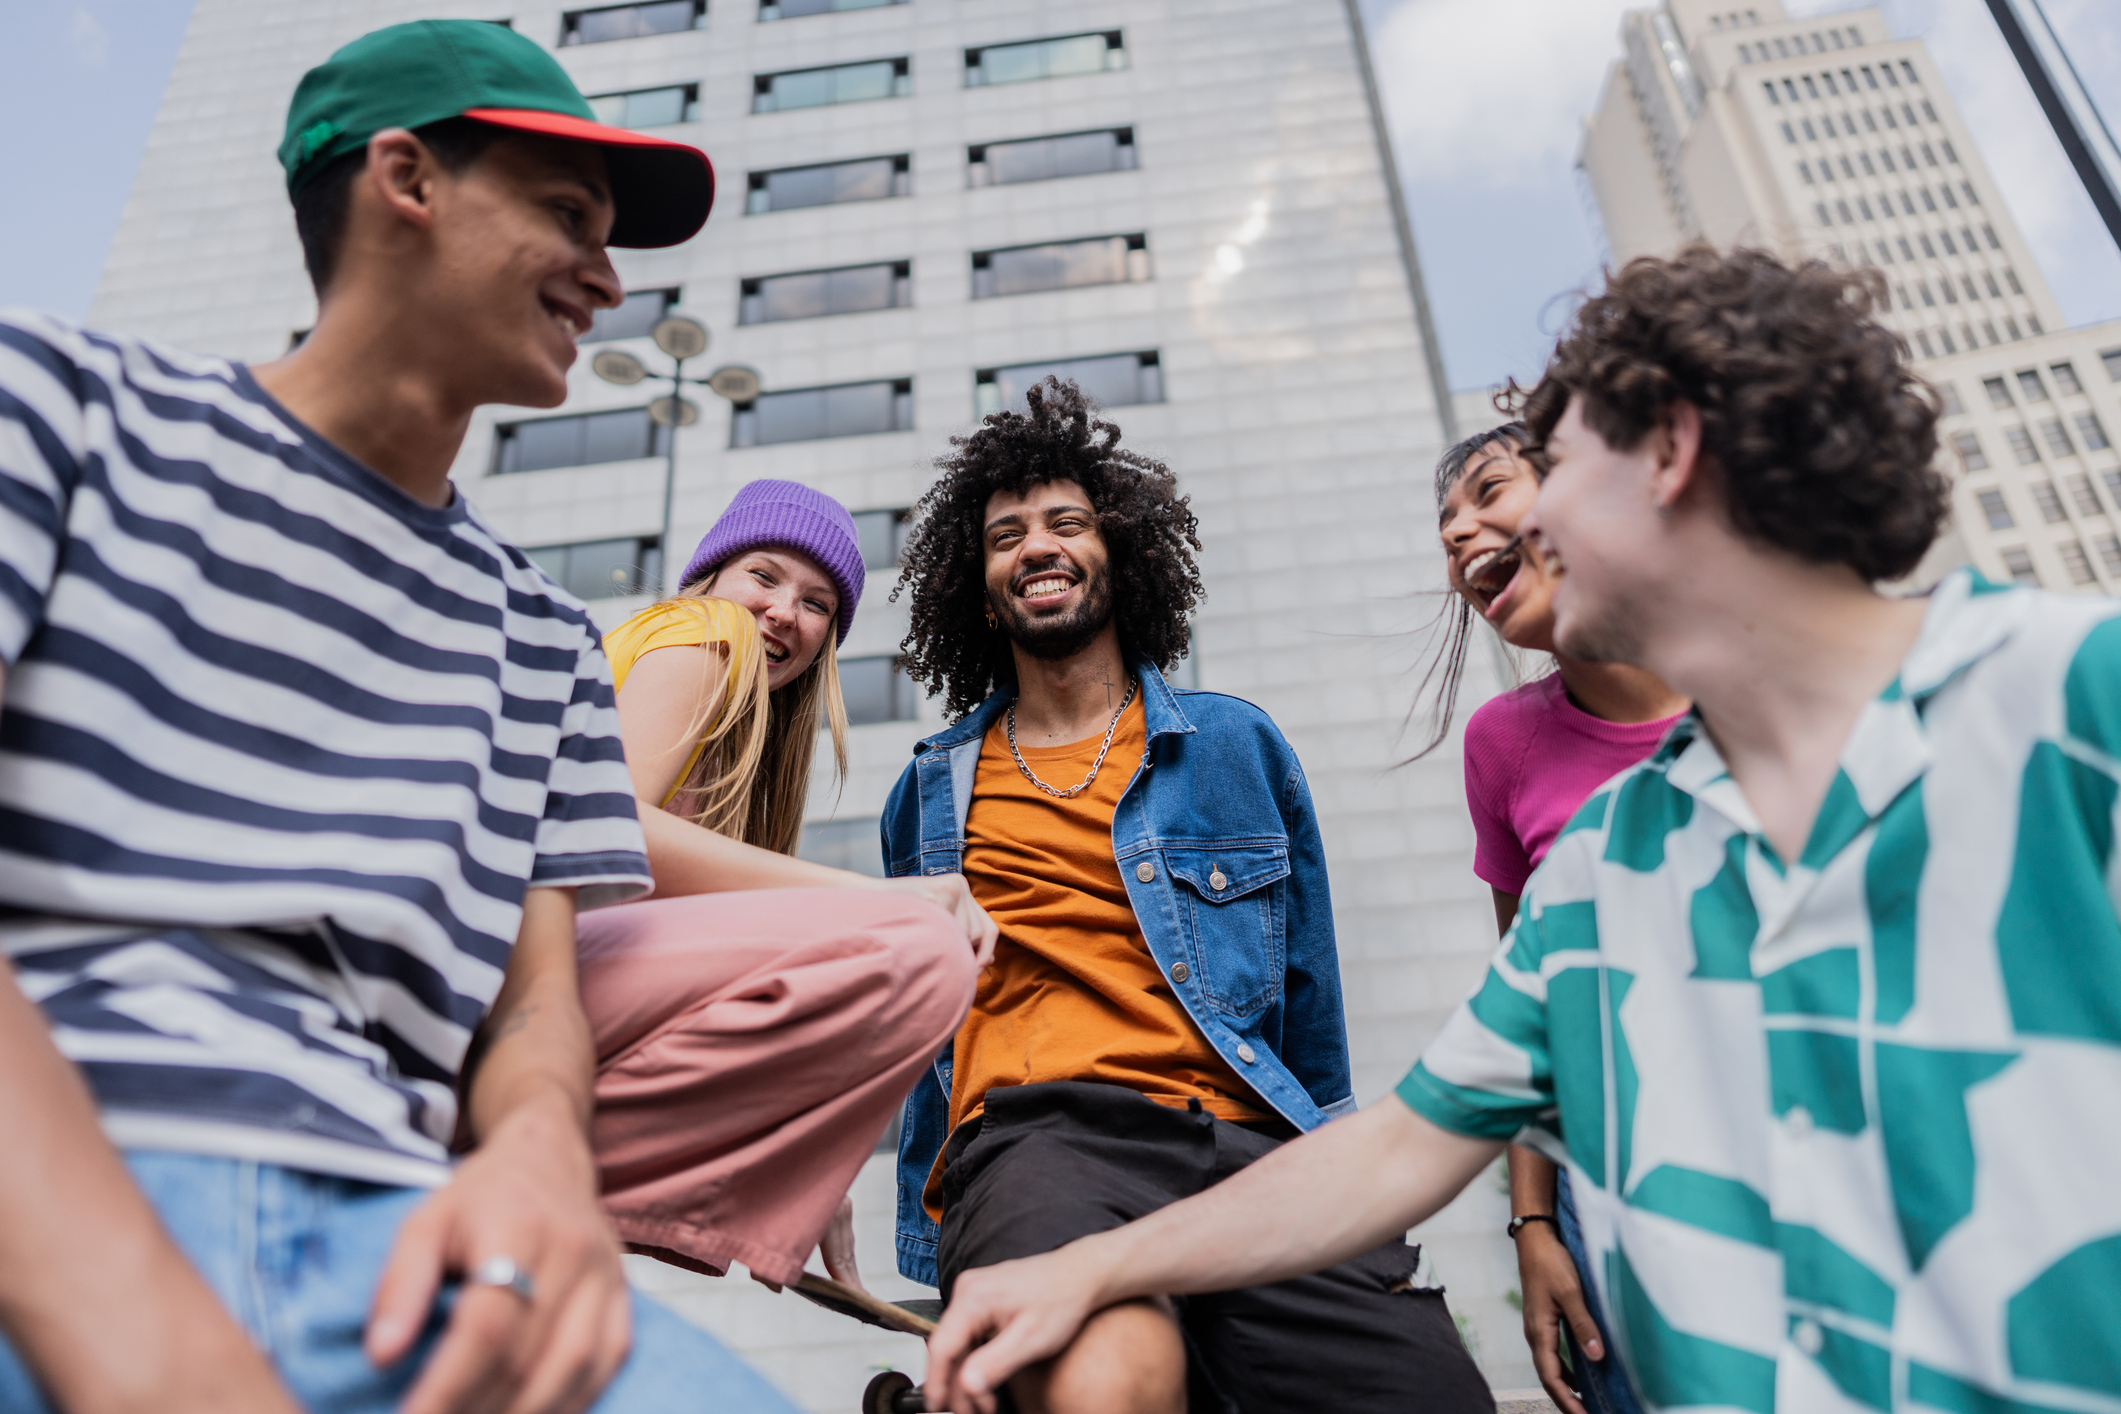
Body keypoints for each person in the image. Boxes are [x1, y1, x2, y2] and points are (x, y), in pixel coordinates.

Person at [919, 244, 2114, 1414]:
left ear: (1671, 453)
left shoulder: (2067, 696)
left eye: (1545, 469)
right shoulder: (1604, 875)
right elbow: (1398, 1145)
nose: (1483, 539)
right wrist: (1085, 1264)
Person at [0, 19, 798, 1413]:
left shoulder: (543, 638)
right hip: (59, 1147)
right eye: (569, 216)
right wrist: (135, 1325)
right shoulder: (60, 409)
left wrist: (542, 1161)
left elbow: (540, 997)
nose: (610, 278)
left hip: (394, 1233)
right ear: (405, 180)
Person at [883, 378, 1493, 1414]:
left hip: (1248, 1149)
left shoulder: (1235, 748)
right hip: (1038, 1142)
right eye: (1006, 535)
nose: (1038, 546)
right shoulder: (930, 793)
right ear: (979, 587)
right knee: (1112, 1379)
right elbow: (911, 1042)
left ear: (1118, 551)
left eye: (1067, 523)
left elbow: (1312, 1009)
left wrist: (1337, 1180)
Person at [580, 477, 988, 1292]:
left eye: (816, 604)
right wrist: (872, 897)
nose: (782, 613)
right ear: (712, 577)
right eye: (763, 577)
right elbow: (607, 832)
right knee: (915, 946)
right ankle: (570, 1156)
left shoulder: (738, 735)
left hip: (561, 984)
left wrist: (794, 1144)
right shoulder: (703, 638)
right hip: (531, 968)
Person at [1424, 425, 1687, 1414]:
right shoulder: (1503, 742)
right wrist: (1535, 1223)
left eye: (1488, 491)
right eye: (1445, 529)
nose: (1459, 536)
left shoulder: (1758, 680)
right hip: (1607, 1187)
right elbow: (1528, 1004)